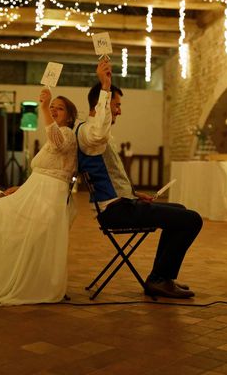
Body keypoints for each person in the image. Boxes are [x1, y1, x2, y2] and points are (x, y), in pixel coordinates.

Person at [77, 60, 203, 299]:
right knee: (192, 219)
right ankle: (158, 278)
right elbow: (97, 134)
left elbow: (111, 176)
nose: (119, 110)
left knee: (180, 210)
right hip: (115, 212)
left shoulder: (95, 131)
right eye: (116, 105)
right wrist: (105, 85)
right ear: (101, 104)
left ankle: (161, 276)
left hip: (122, 204)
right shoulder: (89, 131)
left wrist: (134, 195)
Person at [0, 88, 78, 306]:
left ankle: (6, 280)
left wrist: (45, 107)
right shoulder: (54, 137)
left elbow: (56, 143)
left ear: (69, 116)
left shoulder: (66, 134)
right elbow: (47, 170)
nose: (55, 110)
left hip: (47, 199)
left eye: (60, 108)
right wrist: (21, 188)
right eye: (53, 107)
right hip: (34, 193)